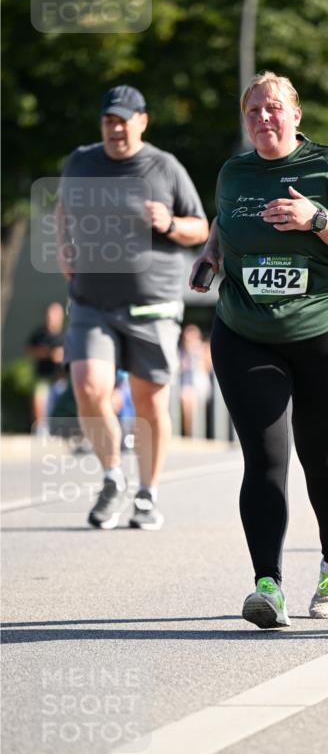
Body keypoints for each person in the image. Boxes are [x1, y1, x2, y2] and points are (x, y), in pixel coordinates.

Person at [190, 71, 328, 628]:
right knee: (264, 461)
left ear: (296, 115)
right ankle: (267, 586)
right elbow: (224, 223)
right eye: (253, 110)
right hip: (246, 333)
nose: (263, 118)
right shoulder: (235, 172)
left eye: (274, 108)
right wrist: (209, 256)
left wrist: (316, 219)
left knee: (320, 459)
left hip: (327, 335)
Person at [57, 84, 209, 530]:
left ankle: (147, 493)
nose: (116, 128)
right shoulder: (81, 162)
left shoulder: (165, 167)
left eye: (124, 120)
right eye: (109, 120)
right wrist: (64, 247)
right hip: (91, 300)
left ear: (142, 121)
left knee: (149, 401)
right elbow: (63, 210)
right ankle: (111, 478)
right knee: (88, 385)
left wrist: (170, 223)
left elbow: (200, 227)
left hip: (152, 303)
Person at [25, 301, 66, 432]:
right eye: (50, 314)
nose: (51, 317)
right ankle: (41, 430)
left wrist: (62, 355)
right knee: (39, 400)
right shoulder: (39, 334)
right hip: (43, 377)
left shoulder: (65, 336)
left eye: (55, 314)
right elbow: (29, 350)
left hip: (60, 379)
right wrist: (48, 353)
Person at [179, 323, 213, 437]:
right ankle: (190, 433)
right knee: (187, 399)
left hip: (201, 383)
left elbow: (208, 367)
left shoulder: (204, 348)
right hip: (186, 385)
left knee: (197, 406)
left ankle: (199, 433)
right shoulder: (182, 352)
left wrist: (197, 356)